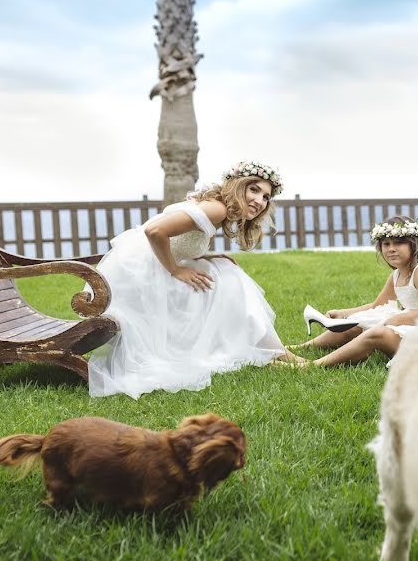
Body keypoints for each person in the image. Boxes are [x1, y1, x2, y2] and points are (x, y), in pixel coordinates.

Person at [87, 160, 303, 399]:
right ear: (238, 186)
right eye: (254, 190)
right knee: (232, 280)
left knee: (225, 270)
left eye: (265, 197)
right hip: (138, 279)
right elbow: (155, 231)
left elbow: (180, 243)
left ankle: (267, 349)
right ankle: (274, 352)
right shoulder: (216, 209)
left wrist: (210, 257)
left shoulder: (219, 208)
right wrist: (175, 271)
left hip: (146, 269)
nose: (259, 201)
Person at [287, 215, 418, 367]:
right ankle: (300, 347)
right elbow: (377, 305)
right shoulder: (397, 275)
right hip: (416, 324)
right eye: (386, 244)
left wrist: (394, 319)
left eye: (399, 243)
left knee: (378, 331)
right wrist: (344, 313)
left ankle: (311, 365)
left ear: (414, 244)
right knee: (360, 322)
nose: (391, 249)